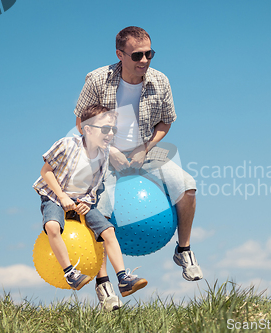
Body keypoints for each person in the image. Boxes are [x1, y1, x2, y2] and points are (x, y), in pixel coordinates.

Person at [74, 26, 203, 285]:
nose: (144, 61)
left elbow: (166, 123)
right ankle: (104, 283)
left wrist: (144, 148)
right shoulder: (97, 79)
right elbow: (80, 122)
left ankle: (184, 251)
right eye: (137, 56)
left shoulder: (161, 81)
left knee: (187, 186)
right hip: (103, 156)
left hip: (145, 153)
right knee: (99, 210)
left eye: (149, 54)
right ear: (120, 55)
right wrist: (109, 152)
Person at [33, 104, 147, 311]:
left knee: (109, 231)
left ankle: (123, 279)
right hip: (55, 196)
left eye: (113, 129)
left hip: (82, 201)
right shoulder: (67, 145)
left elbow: (95, 185)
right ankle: (70, 273)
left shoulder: (103, 155)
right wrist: (62, 197)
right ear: (87, 129)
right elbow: (45, 172)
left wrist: (87, 201)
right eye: (105, 129)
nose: (110, 133)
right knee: (52, 226)